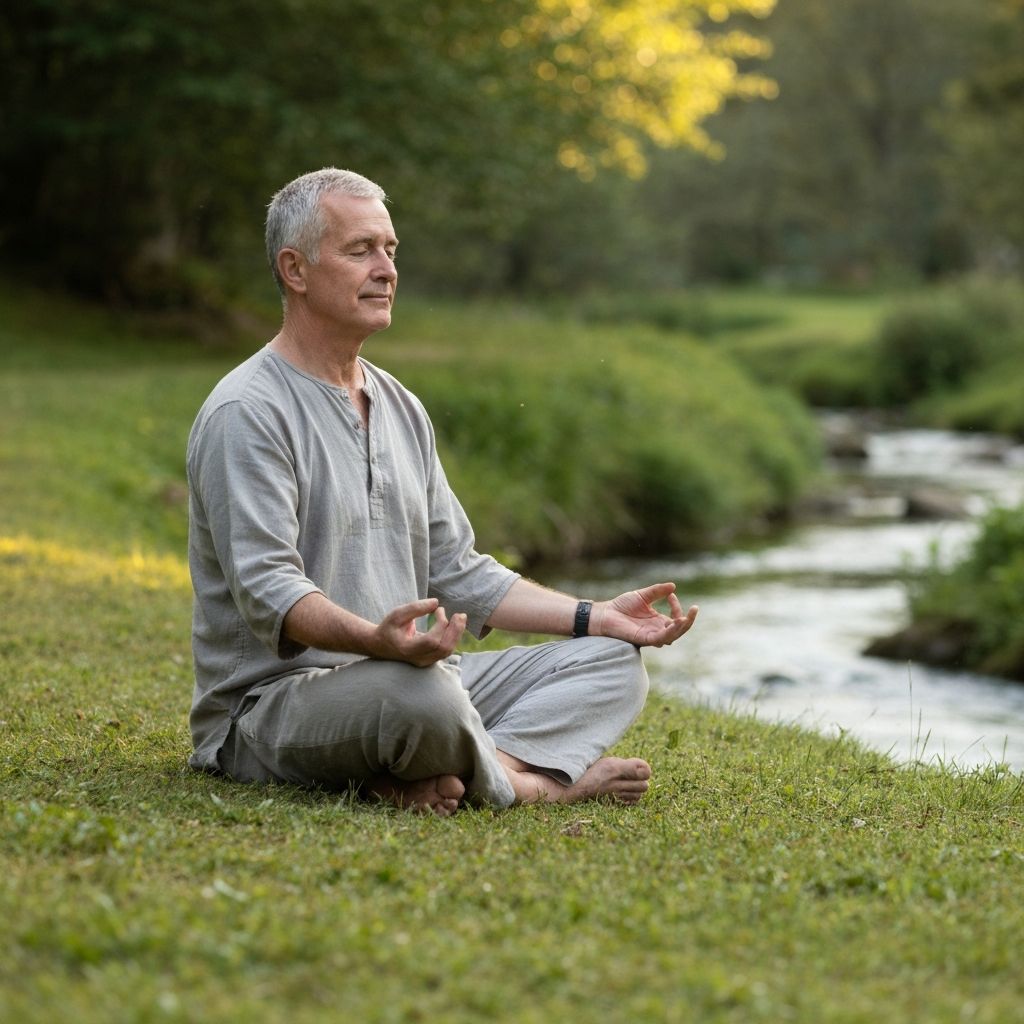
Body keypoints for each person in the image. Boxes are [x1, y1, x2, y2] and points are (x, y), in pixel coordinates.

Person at [186, 167, 698, 816]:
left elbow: (458, 570)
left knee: (612, 663)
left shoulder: (400, 405)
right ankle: (534, 785)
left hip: (410, 679)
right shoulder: (248, 411)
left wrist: (596, 616)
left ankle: (432, 774)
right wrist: (378, 642)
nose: (386, 269)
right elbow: (269, 593)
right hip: (275, 708)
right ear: (295, 270)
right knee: (425, 701)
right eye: (360, 250)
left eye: (391, 250)